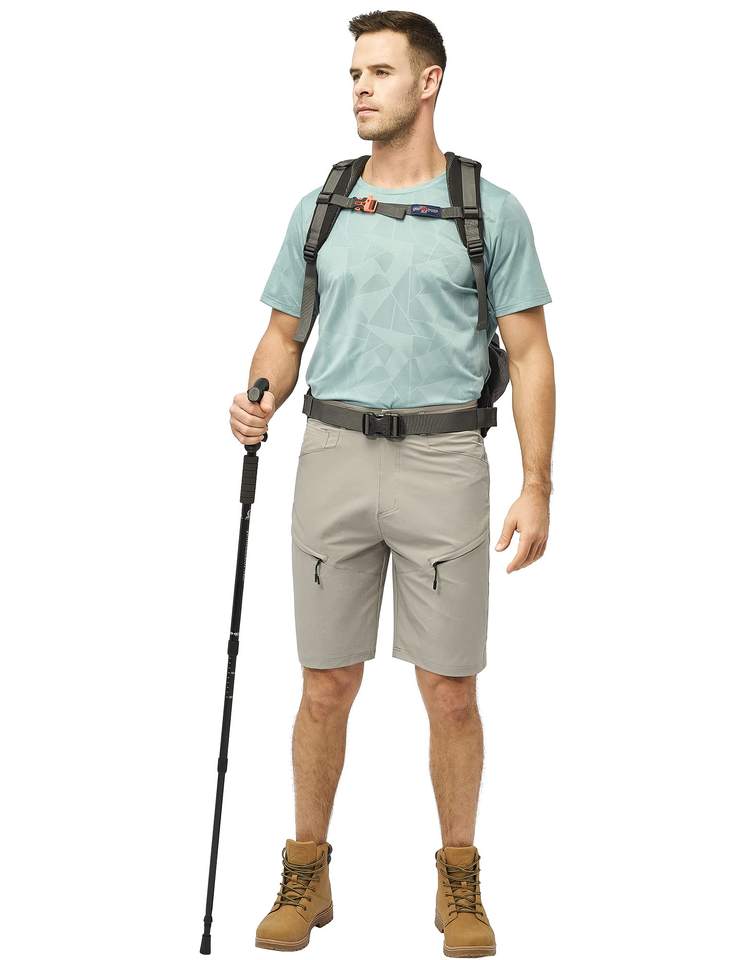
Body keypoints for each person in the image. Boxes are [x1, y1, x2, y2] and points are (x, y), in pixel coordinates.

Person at [229, 11, 555, 956]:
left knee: (450, 690)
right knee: (324, 683)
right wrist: (256, 399)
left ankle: (459, 878)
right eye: (353, 74)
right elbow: (283, 335)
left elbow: (531, 355)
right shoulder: (323, 205)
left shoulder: (490, 210)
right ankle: (306, 868)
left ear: (430, 81)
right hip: (332, 455)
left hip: (445, 462)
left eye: (379, 72)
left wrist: (537, 485)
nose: (361, 88)